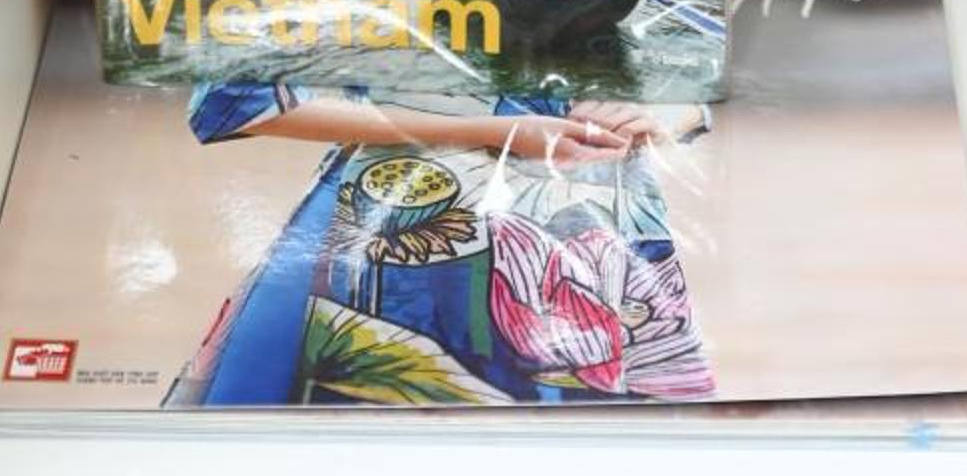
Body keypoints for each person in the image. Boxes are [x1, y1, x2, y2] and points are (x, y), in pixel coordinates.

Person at [165, 82, 713, 407]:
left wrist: (655, 114)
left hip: (594, 223)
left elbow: (700, 88)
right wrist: (491, 129)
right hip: (395, 214)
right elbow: (234, 101)